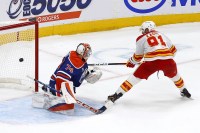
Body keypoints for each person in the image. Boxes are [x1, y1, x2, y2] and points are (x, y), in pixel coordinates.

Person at [104, 21, 191, 108]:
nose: (142, 32)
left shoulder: (140, 38)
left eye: (143, 30)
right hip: (168, 61)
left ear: (147, 29)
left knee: (133, 79)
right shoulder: (162, 35)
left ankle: (116, 96)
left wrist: (131, 62)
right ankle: (184, 90)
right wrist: (164, 57)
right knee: (176, 77)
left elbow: (137, 57)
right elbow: (174, 51)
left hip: (151, 63)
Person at [32, 43, 102, 114]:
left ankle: (50, 89)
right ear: (81, 53)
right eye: (86, 54)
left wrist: (85, 72)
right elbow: (60, 77)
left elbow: (76, 76)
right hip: (57, 84)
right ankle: (52, 92)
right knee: (69, 108)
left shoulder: (72, 54)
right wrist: (61, 93)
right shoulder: (75, 64)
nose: (88, 56)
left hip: (64, 82)